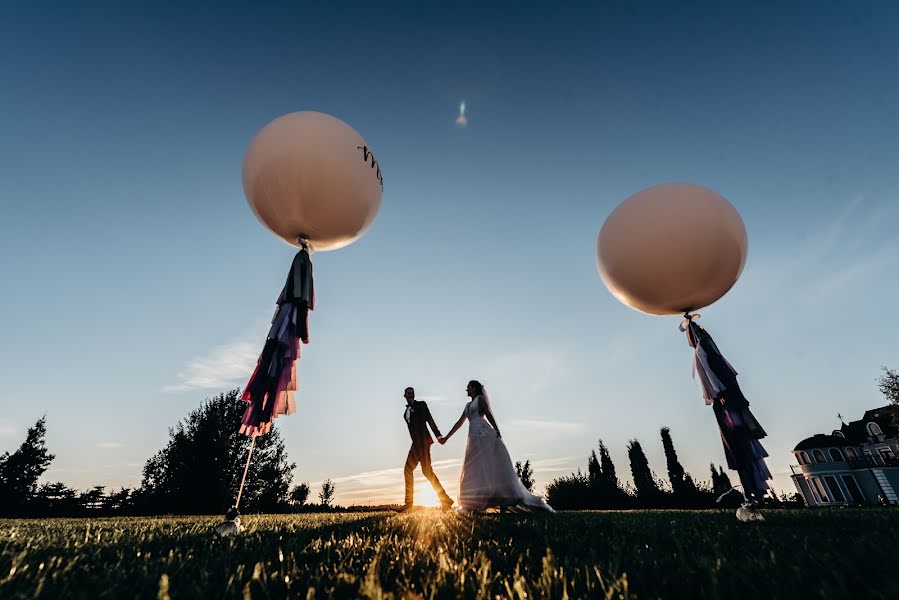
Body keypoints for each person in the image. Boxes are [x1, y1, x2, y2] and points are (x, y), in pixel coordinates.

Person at [439, 380, 553, 513]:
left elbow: (488, 414)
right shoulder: (467, 405)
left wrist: (497, 430)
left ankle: (503, 498)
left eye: (468, 388)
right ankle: (473, 501)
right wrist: (447, 437)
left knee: (490, 464)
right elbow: (459, 422)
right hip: (473, 437)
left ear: (474, 388)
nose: (467, 390)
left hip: (483, 433)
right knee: (473, 466)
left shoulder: (480, 400)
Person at [400, 386, 453, 512]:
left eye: (412, 393)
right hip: (415, 445)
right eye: (408, 393)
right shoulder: (405, 413)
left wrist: (438, 435)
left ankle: (444, 499)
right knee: (411, 470)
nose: (411, 395)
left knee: (426, 471)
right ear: (405, 396)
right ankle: (410, 503)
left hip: (423, 443)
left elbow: (430, 419)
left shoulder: (421, 405)